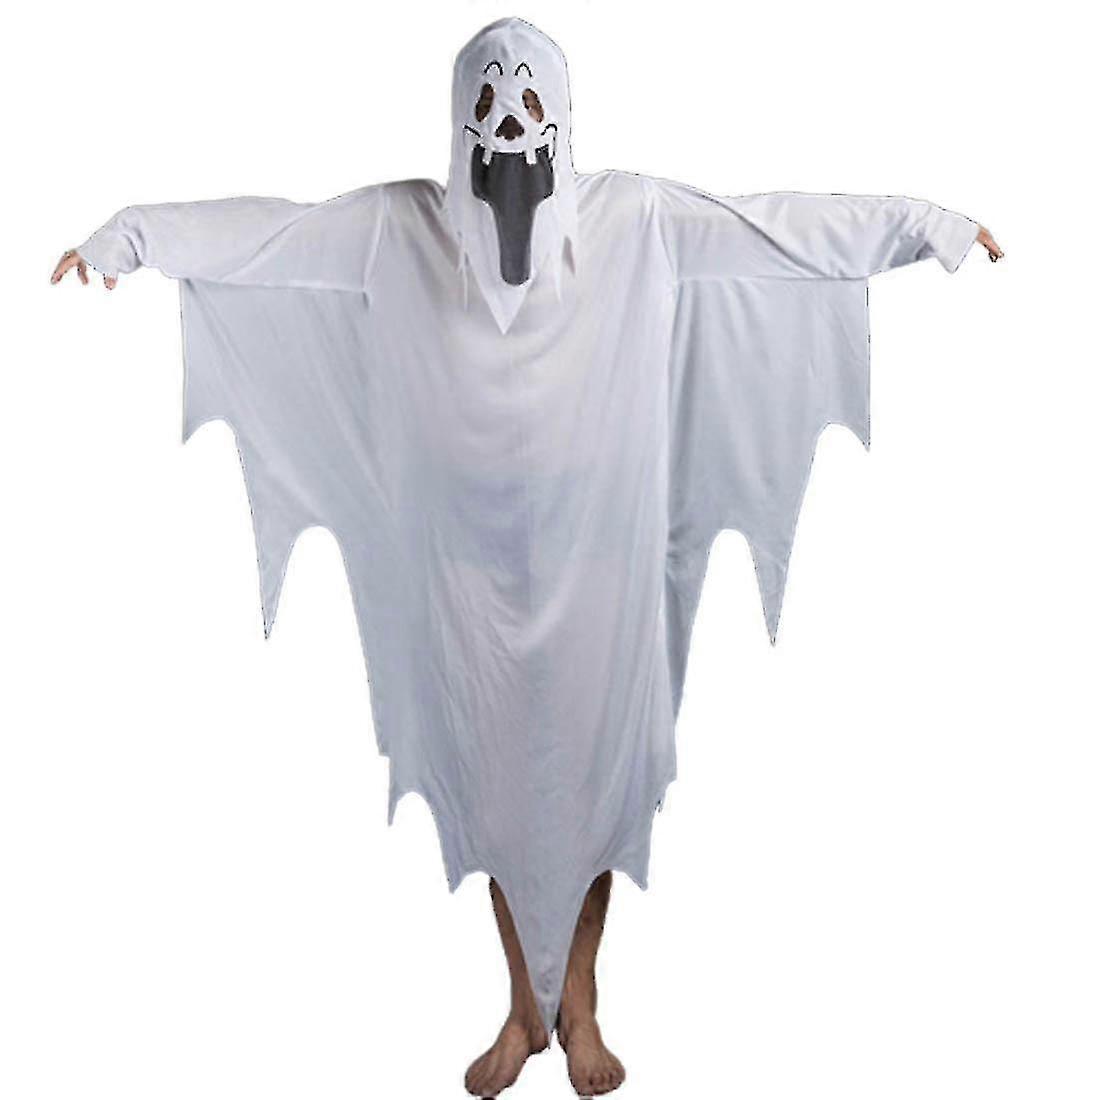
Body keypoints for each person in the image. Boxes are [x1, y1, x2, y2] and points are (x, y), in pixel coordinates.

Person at [51, 18, 1001, 1099]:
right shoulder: (397, 227)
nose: (509, 129)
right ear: (457, 122)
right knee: (496, 784)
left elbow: (776, 229)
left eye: (529, 104)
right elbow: (266, 236)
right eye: (490, 107)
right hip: (464, 565)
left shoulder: (635, 219)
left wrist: (923, 226)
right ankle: (521, 1006)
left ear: (563, 115)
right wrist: (130, 237)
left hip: (603, 560)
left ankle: (578, 1000)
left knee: (592, 779)